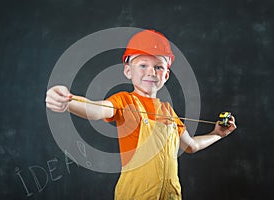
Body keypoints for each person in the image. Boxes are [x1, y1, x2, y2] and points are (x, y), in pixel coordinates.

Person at [45, 29, 237, 200]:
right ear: (128, 71)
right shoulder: (124, 101)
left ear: (166, 75)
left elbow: (191, 146)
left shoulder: (168, 111)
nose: (151, 72)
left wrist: (217, 134)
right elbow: (97, 110)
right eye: (143, 65)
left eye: (159, 67)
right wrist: (69, 102)